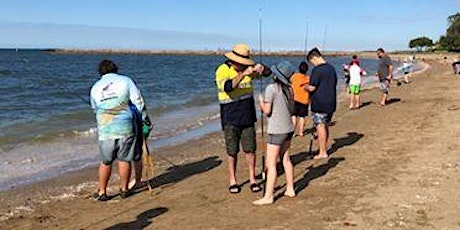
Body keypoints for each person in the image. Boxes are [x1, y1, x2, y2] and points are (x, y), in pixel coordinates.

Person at [90, 60, 151, 201]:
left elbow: (94, 108)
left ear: (100, 72)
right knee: (124, 159)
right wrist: (145, 118)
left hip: (105, 128)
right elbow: (138, 100)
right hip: (126, 125)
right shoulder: (126, 80)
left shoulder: (95, 87)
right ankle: (124, 190)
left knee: (106, 161)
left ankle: (102, 192)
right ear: (115, 69)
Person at [215, 43, 269, 194]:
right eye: (241, 64)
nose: (242, 66)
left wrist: (261, 68)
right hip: (230, 116)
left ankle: (252, 178)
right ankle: (233, 179)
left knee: (250, 149)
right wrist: (243, 74)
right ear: (234, 61)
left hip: (248, 115)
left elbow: (268, 73)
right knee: (232, 151)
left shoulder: (248, 70)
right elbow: (227, 87)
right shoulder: (222, 70)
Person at [253, 61, 296, 205]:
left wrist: (260, 101)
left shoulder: (271, 88)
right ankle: (290, 189)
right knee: (286, 160)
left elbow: (267, 111)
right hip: (288, 129)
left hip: (276, 131)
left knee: (271, 164)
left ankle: (268, 196)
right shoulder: (290, 89)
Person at [306, 48, 337, 159]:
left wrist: (304, 87)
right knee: (325, 126)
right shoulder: (331, 68)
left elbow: (312, 87)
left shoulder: (317, 70)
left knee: (320, 126)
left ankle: (323, 152)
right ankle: (323, 148)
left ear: (313, 58)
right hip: (331, 102)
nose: (312, 64)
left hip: (320, 103)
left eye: (311, 62)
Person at [291, 61, 310, 136]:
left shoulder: (294, 76)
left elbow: (290, 83)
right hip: (304, 101)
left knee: (294, 116)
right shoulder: (308, 78)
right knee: (302, 117)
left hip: (295, 99)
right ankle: (301, 132)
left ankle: (292, 132)